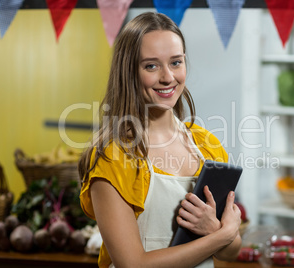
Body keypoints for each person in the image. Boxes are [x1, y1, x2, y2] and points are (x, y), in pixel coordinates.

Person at [79, 12, 242, 268]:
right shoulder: (113, 157)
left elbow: (231, 251)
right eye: (151, 66)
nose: (168, 77)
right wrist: (220, 235)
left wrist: (220, 232)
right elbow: (132, 264)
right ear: (129, 72)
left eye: (176, 62)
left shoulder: (206, 145)